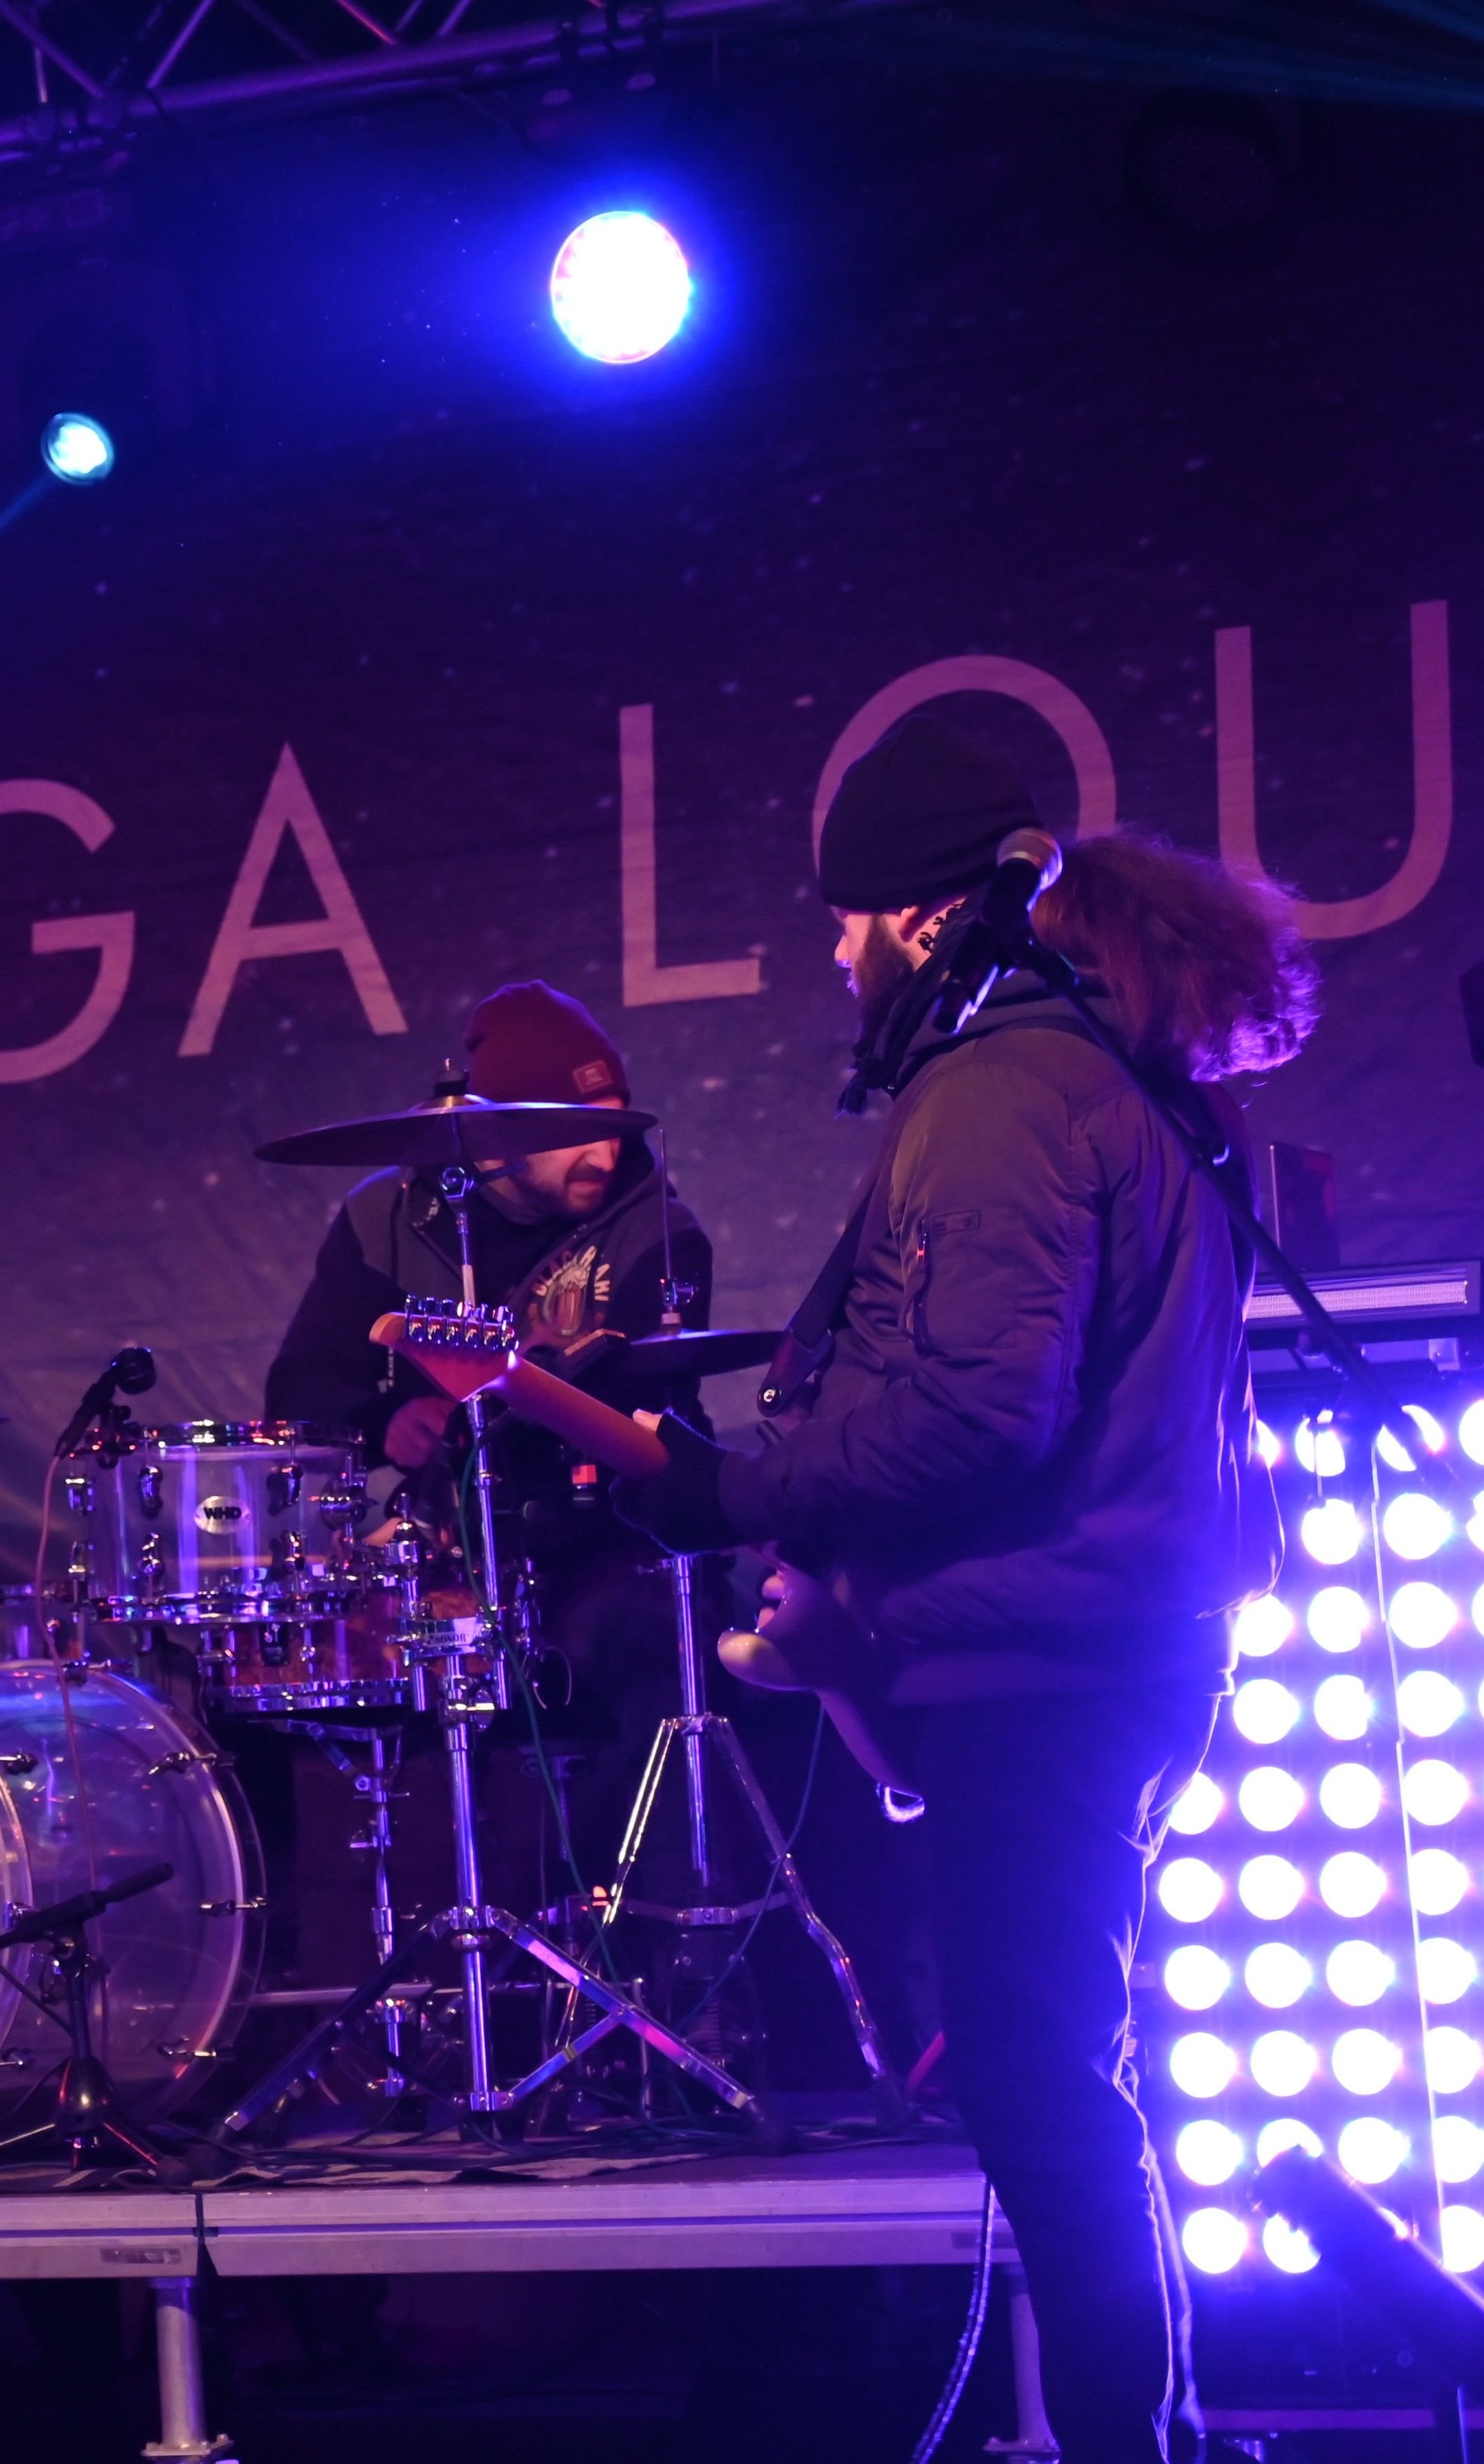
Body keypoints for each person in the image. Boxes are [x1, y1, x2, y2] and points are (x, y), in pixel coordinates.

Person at [610, 714, 1309, 2464]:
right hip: (1107, 1644)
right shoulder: (1122, 1074)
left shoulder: (1001, 1093)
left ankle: (1133, 2446)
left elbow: (979, 1418)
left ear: (923, 918)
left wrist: (730, 1487)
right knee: (1051, 2066)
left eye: (849, 918)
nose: (835, 953)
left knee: (1037, 2083)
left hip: (1042, 1663)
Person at [263, 980, 716, 1895]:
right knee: (280, 1676)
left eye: (614, 1126)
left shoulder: (658, 1230)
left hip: (595, 1539)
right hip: (451, 1541)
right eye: (574, 1132)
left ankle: (645, 1929)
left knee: (652, 1643)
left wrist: (502, 1402)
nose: (606, 1152)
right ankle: (395, 1937)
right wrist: (388, 1421)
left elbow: (630, 1399)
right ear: (500, 1141)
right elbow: (300, 1388)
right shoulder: (382, 1219)